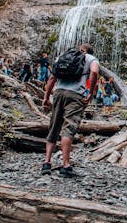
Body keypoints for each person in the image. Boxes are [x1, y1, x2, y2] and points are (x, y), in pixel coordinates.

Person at [41, 44, 99, 177]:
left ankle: (46, 162)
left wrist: (46, 97)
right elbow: (94, 72)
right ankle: (65, 165)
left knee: (54, 126)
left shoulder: (64, 56)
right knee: (69, 128)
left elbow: (51, 78)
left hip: (59, 92)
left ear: (80, 49)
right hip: (76, 95)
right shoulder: (91, 59)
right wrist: (90, 93)